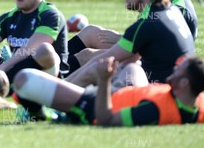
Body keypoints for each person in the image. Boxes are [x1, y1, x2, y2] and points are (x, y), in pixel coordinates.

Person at [65, 0, 195, 87]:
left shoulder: (147, 23)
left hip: (162, 94)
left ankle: (57, 85)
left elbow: (102, 61)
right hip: (177, 89)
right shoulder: (168, 10)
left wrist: (63, 85)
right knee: (99, 56)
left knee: (101, 65)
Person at [13, 55, 204, 126]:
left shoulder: (153, 110)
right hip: (125, 94)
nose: (175, 69)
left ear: (185, 83)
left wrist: (104, 80)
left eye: (180, 69)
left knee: (23, 79)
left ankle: (41, 115)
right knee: (133, 68)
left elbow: (105, 120)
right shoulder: (196, 102)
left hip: (96, 105)